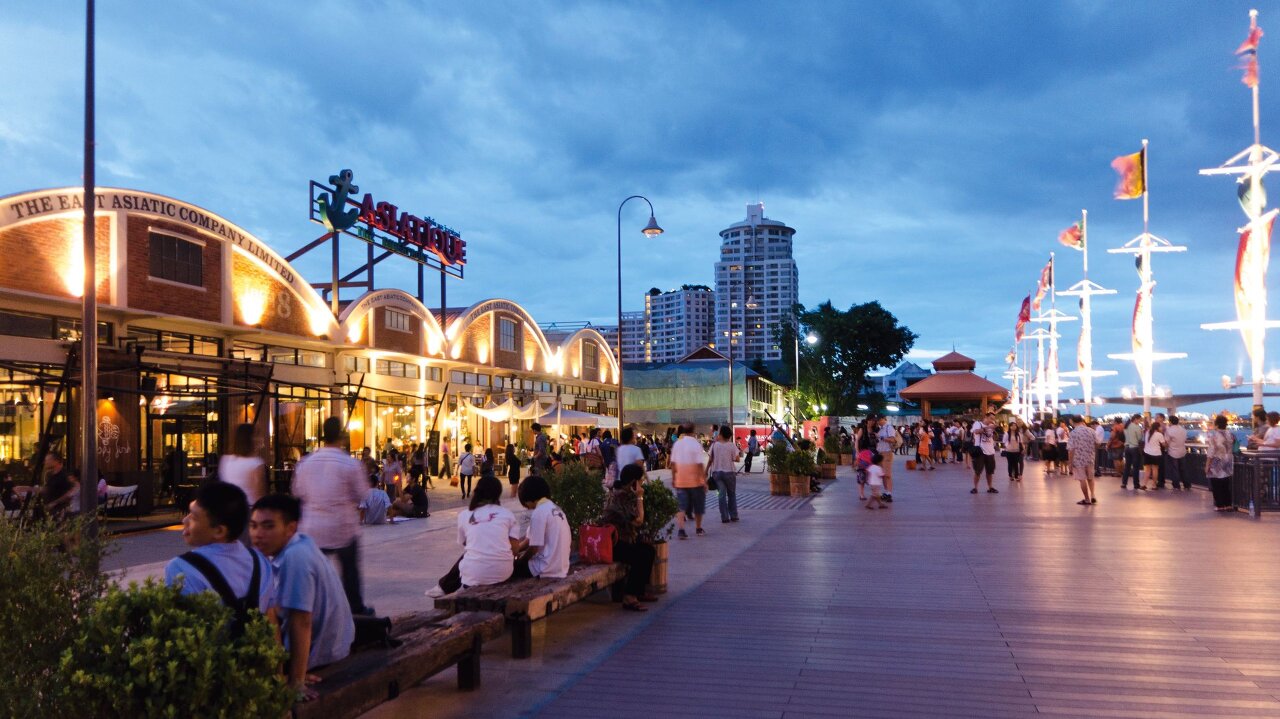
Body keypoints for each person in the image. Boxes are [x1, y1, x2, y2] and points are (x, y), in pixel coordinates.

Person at [250, 494, 353, 702]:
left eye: (268, 526)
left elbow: (301, 621)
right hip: (332, 645)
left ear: (290, 528)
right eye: (253, 526)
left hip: (319, 653)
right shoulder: (301, 544)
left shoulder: (295, 557)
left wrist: (295, 681)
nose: (258, 534)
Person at [291, 416, 372, 616]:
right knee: (349, 571)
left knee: (312, 572)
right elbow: (363, 494)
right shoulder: (350, 464)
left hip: (312, 526)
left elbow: (298, 492)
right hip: (342, 526)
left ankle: (308, 606)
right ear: (341, 436)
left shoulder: (306, 463)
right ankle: (355, 608)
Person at [164, 481, 273, 615]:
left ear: (219, 531)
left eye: (194, 517)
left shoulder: (180, 568)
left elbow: (182, 624)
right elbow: (271, 617)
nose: (185, 520)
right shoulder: (261, 562)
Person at [426, 476, 520, 597]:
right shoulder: (507, 514)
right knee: (478, 552)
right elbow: (515, 550)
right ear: (498, 493)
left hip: (473, 576)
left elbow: (465, 543)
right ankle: (444, 587)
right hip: (503, 574)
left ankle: (444, 587)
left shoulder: (464, 515)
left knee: (471, 552)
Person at [602, 464, 658, 611]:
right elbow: (638, 520)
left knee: (648, 550)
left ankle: (638, 591)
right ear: (634, 482)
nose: (642, 483)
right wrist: (640, 496)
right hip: (613, 545)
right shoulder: (619, 497)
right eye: (641, 480)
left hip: (622, 541)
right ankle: (629, 597)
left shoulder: (625, 494)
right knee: (641, 556)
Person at [511, 475, 570, 580]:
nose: (527, 507)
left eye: (525, 504)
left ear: (528, 498)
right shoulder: (555, 508)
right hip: (560, 567)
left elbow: (534, 548)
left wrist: (520, 561)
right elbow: (529, 540)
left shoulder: (539, 512)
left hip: (544, 568)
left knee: (507, 569)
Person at [669, 422, 708, 539]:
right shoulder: (696, 444)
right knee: (698, 506)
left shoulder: (677, 444)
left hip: (681, 479)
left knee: (681, 506)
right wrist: (704, 480)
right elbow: (699, 464)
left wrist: (674, 477)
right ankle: (698, 528)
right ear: (693, 431)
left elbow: (673, 463)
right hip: (696, 481)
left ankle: (681, 530)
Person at [219, 423, 266, 508]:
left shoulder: (226, 460)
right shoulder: (256, 463)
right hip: (249, 508)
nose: (260, 439)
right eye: (257, 435)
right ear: (250, 439)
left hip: (229, 508)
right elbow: (259, 494)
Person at [708, 425, 741, 524]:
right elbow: (737, 459)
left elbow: (710, 459)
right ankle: (734, 516)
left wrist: (706, 470)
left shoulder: (714, 445)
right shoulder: (732, 445)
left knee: (721, 495)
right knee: (731, 494)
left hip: (717, 473)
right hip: (730, 473)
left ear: (721, 434)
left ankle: (724, 517)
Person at [36, 450, 79, 520]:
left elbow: (73, 490)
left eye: (48, 460)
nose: (45, 462)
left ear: (56, 461)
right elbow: (48, 489)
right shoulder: (50, 475)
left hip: (60, 512)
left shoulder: (65, 475)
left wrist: (54, 503)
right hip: (51, 511)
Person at [1205, 414, 1236, 511]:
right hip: (1228, 461)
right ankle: (1228, 504)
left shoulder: (1214, 436)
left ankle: (1220, 505)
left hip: (1217, 461)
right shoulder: (1231, 435)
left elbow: (1211, 452)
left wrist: (1207, 465)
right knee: (1226, 484)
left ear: (1217, 424)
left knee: (1216, 484)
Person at [1067, 415, 1097, 505]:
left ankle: (1087, 499)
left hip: (1078, 459)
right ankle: (1093, 495)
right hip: (1090, 458)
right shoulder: (1091, 431)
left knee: (1082, 479)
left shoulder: (1073, 433)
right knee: (1090, 478)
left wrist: (1070, 463)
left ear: (1073, 422)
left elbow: (1071, 449)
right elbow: (1097, 443)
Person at [970, 412, 998, 494]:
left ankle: (990, 487)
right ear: (986, 417)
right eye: (991, 418)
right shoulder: (978, 423)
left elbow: (994, 437)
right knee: (978, 471)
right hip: (980, 451)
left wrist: (995, 430)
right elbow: (976, 432)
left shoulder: (992, 425)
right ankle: (975, 488)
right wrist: (988, 427)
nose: (992, 420)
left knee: (990, 471)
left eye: (993, 419)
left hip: (990, 451)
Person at [875, 417, 898, 500]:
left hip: (887, 452)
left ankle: (889, 493)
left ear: (883, 419)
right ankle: (886, 491)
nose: (878, 422)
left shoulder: (889, 427)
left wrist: (881, 437)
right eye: (877, 420)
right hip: (880, 453)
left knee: (887, 474)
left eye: (879, 420)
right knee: (883, 474)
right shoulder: (879, 429)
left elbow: (892, 440)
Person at [1165, 415, 1189, 490]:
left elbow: (1166, 442)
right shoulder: (1183, 429)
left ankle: (1176, 485)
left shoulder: (1169, 430)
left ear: (1170, 422)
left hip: (1173, 452)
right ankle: (1187, 485)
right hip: (1182, 451)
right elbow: (1185, 439)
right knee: (1183, 469)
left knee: (1175, 470)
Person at [1122, 414, 1145, 490]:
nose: (1140, 421)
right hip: (1134, 448)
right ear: (1136, 419)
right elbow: (1139, 438)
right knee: (1136, 467)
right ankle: (1136, 484)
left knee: (1127, 466)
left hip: (1127, 448)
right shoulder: (1137, 427)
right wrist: (1142, 433)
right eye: (1140, 420)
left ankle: (1124, 483)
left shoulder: (1126, 426)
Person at [1142, 420, 1166, 491]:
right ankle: (1154, 485)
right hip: (1156, 454)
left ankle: (1144, 485)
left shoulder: (1147, 432)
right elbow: (1164, 445)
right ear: (1157, 427)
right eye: (1160, 427)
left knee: (1147, 470)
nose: (1161, 428)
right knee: (1155, 470)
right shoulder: (1159, 434)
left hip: (1147, 453)